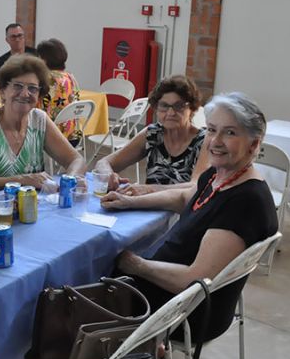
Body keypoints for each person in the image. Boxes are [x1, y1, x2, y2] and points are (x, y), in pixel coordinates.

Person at [102, 92, 278, 341]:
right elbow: (185, 199)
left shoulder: (245, 202)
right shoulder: (220, 174)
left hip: (185, 310)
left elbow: (195, 281)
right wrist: (131, 201)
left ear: (254, 144)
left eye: (230, 133)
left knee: (81, 286)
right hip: (167, 289)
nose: (215, 141)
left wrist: (135, 264)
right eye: (212, 130)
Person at [0, 54, 87, 196]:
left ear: (39, 95)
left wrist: (70, 180)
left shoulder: (39, 120)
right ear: (3, 91)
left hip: (33, 206)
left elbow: (76, 160)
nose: (25, 94)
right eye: (17, 86)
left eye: (33, 88)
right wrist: (22, 180)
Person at [95, 74, 210, 194]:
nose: (171, 113)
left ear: (192, 108)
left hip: (184, 206)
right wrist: (108, 175)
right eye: (164, 106)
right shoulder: (153, 134)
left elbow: (196, 186)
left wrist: (149, 189)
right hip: (150, 204)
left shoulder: (204, 140)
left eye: (178, 106)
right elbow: (104, 162)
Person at [36, 38, 82, 145]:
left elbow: (34, 107)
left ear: (44, 60)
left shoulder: (46, 79)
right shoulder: (70, 77)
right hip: (72, 137)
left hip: (52, 138)